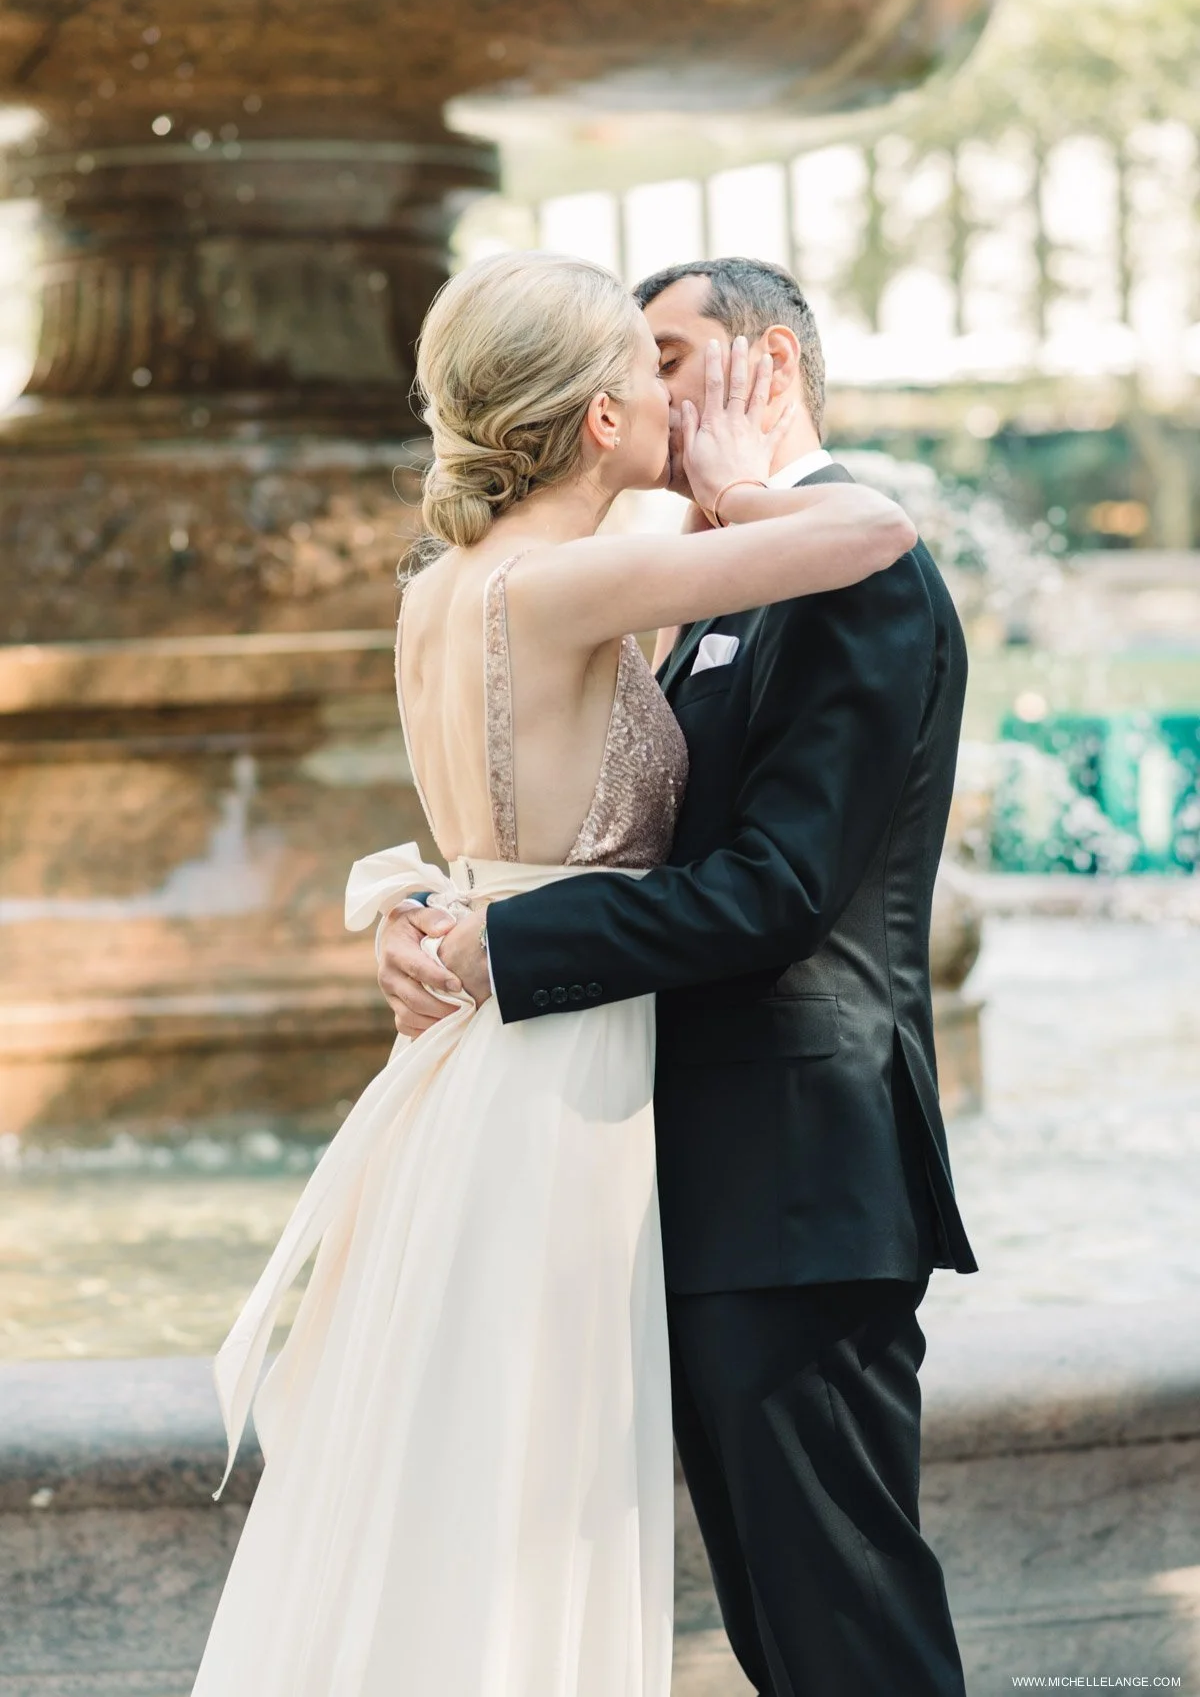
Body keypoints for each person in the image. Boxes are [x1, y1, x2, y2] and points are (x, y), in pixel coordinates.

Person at [192, 249, 915, 1697]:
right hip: (555, 1074)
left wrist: (414, 912)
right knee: (528, 1470)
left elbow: (491, 845)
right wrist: (739, 487)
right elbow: (878, 529)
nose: (676, 399)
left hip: (475, 1053)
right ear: (599, 416)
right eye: (652, 373)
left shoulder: (442, 591)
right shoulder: (580, 580)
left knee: (446, 1458)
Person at [380, 256, 978, 1696]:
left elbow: (778, 891)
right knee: (781, 1638)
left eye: (666, 352)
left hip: (797, 1183)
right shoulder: (712, 575)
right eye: (628, 362)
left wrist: (503, 946)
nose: (642, 389)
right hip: (673, 1174)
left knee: (849, 1633)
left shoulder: (853, 572)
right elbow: (587, 826)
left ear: (766, 363)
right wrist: (431, 904)